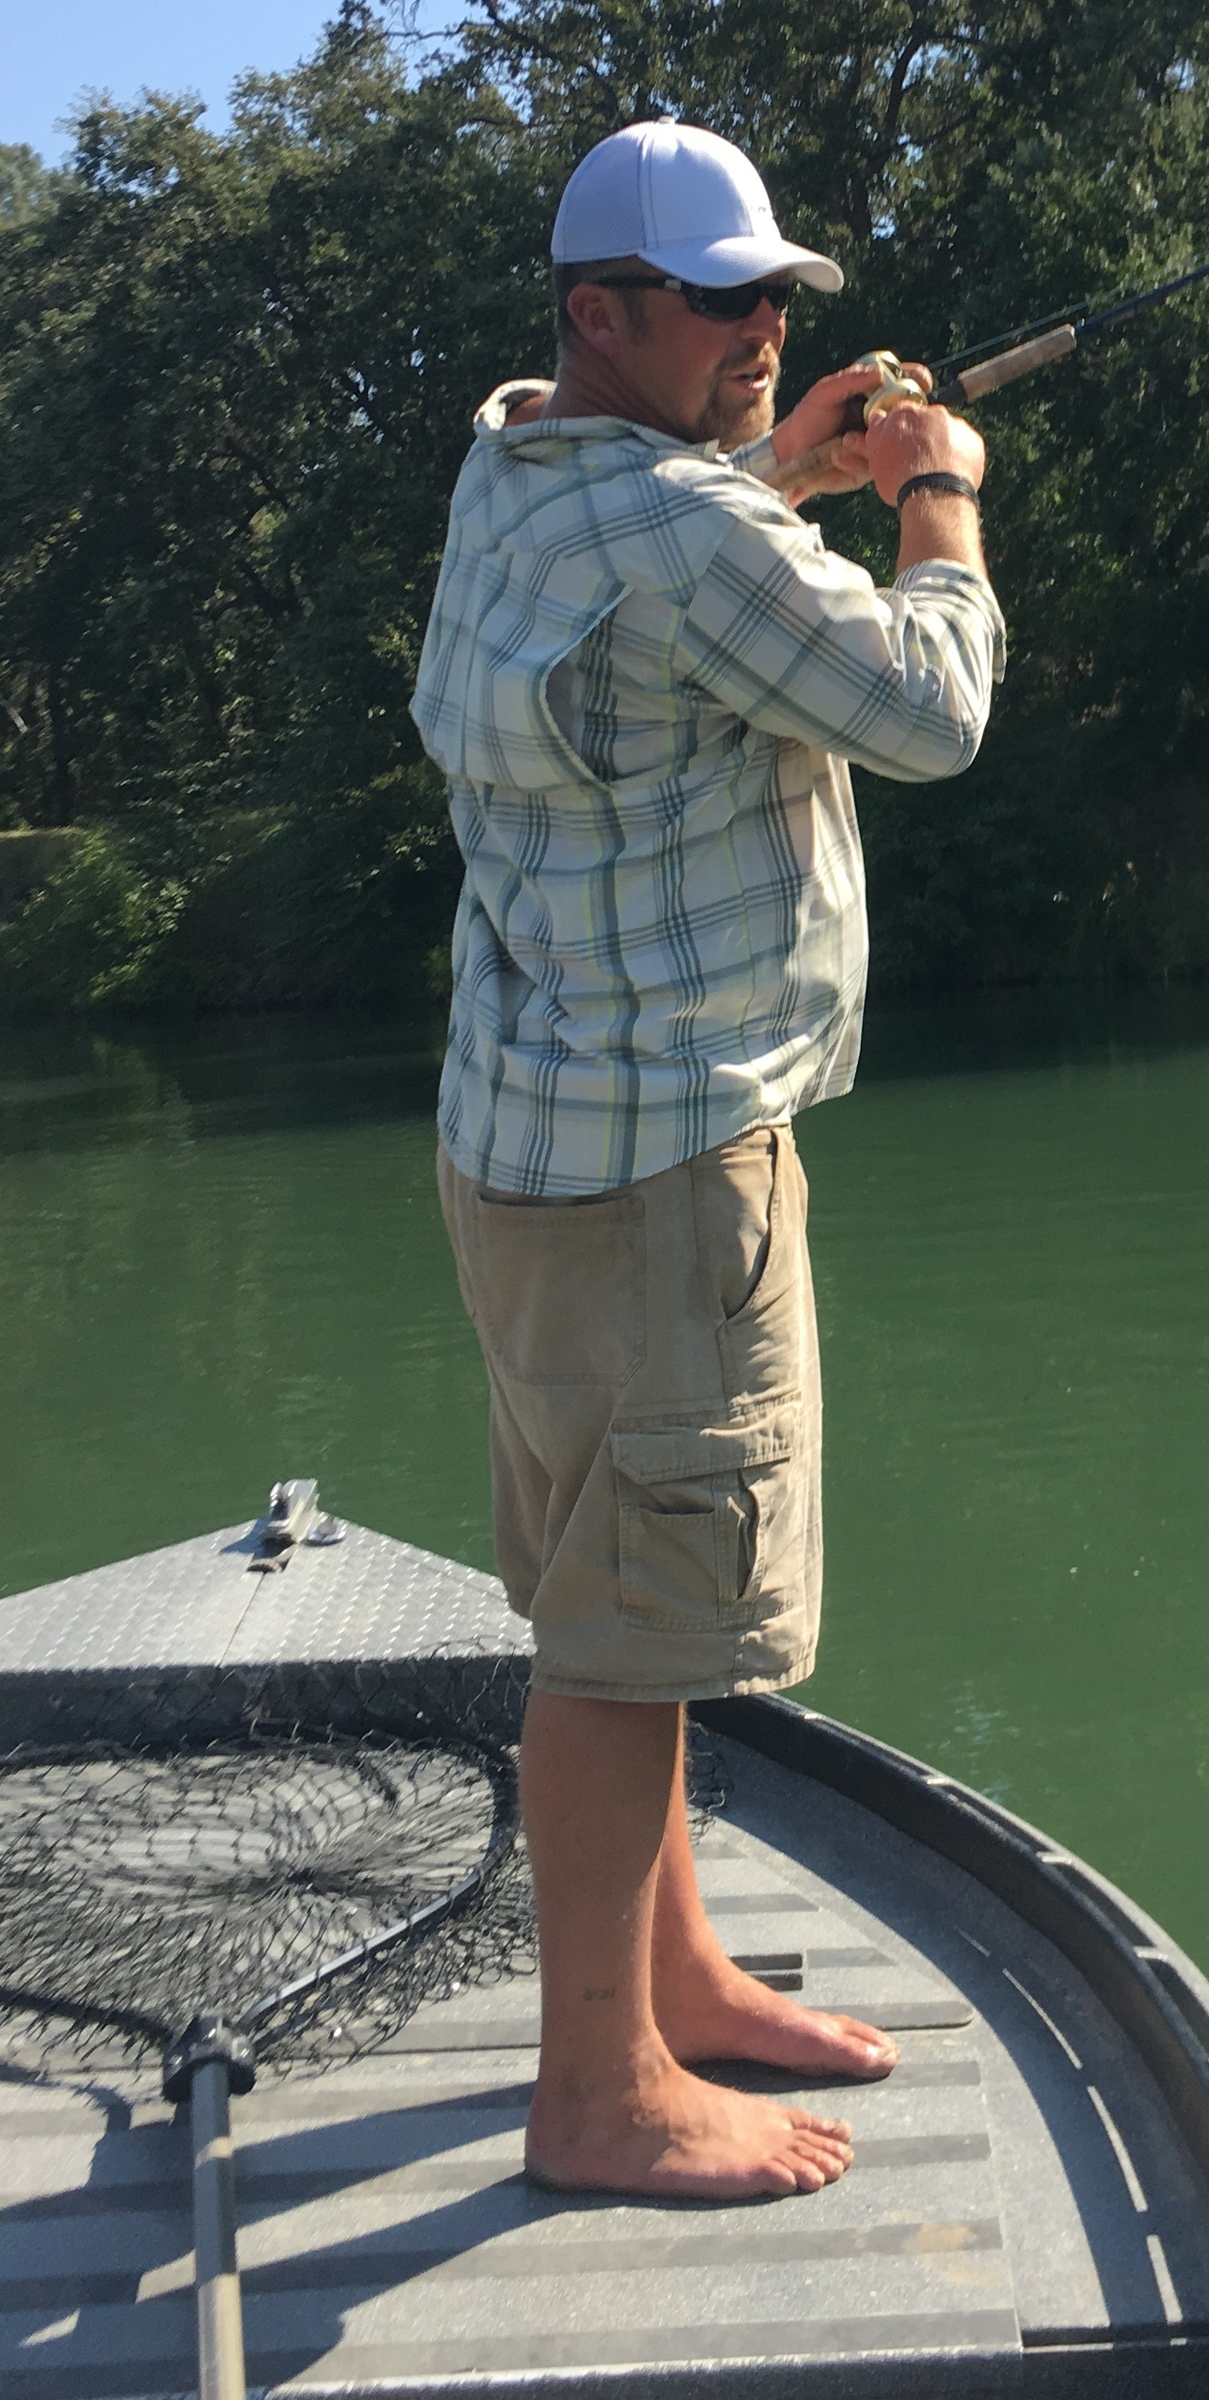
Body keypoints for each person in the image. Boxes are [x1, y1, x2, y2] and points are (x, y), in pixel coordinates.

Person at [413, 118, 1002, 2200]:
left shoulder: (515, 475)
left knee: (610, 1597)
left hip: (524, 1156)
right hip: (664, 1173)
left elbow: (648, 595)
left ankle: (670, 1977)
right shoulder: (687, 535)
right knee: (629, 1634)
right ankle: (599, 2093)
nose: (767, 331)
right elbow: (928, 710)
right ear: (600, 312)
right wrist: (933, 499)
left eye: (779, 298)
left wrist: (772, 472)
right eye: (723, 302)